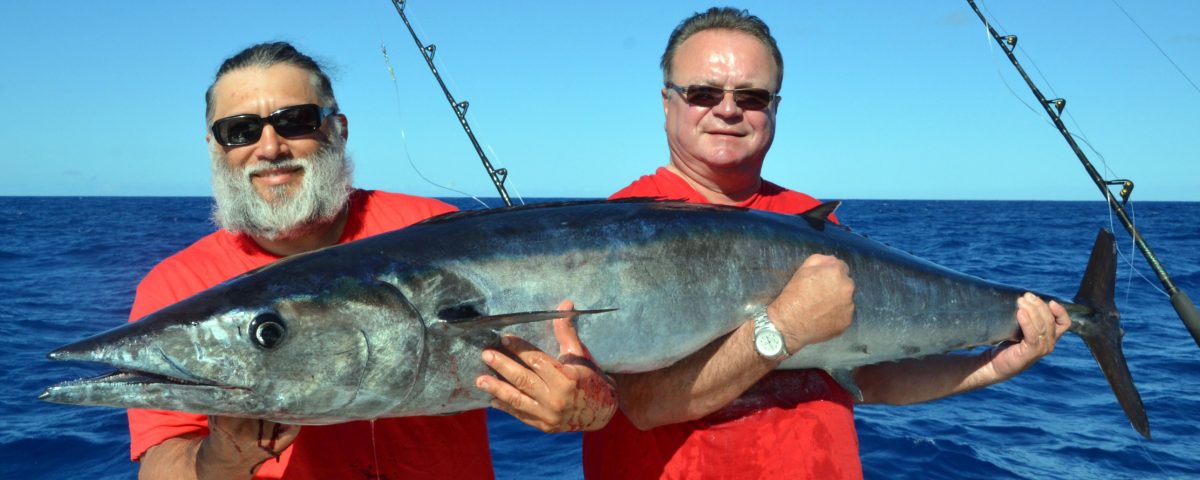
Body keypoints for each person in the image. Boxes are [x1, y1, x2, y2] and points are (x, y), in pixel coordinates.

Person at [581, 8, 1073, 479]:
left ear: (774, 109)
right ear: (668, 103)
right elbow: (643, 404)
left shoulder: (810, 217)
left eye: (751, 97)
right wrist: (783, 327)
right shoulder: (615, 232)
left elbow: (869, 377)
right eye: (703, 93)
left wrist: (996, 363)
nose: (728, 109)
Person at [130, 41, 613, 480]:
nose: (270, 147)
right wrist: (223, 457)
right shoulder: (176, 286)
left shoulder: (432, 230)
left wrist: (587, 402)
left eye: (295, 120)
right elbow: (160, 463)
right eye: (240, 131)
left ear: (337, 129)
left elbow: (593, 373)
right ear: (216, 148)